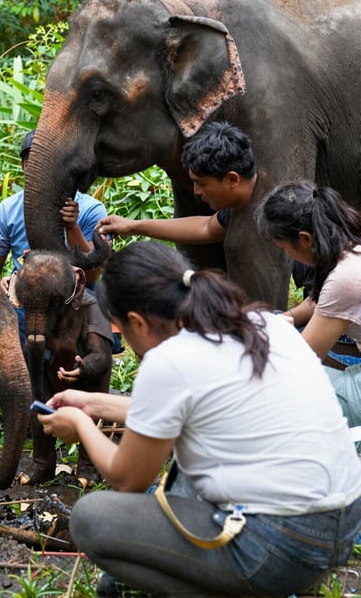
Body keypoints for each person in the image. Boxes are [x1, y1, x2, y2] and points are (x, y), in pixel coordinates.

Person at [38, 240, 361, 597]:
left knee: (92, 518)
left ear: (137, 322)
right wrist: (93, 404)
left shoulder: (170, 359)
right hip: (342, 522)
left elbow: (128, 478)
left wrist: (80, 425)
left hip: (280, 545)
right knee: (181, 482)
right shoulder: (263, 323)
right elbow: (186, 411)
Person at [0, 129, 107, 347]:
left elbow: (93, 274)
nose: (43, 170)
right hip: (24, 306)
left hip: (74, 304)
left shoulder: (90, 209)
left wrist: (72, 227)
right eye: (35, 162)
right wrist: (0, 286)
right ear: (24, 166)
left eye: (51, 162)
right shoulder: (8, 210)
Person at [257, 181, 361, 424]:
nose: (287, 254)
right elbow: (320, 302)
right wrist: (286, 318)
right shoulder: (350, 245)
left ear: (305, 239)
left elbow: (304, 360)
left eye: (284, 248)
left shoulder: (344, 278)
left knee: (273, 384)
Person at [97, 120, 256, 248]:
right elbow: (205, 227)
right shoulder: (233, 208)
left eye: (201, 184)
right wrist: (131, 226)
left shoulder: (269, 209)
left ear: (232, 179)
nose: (196, 191)